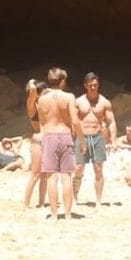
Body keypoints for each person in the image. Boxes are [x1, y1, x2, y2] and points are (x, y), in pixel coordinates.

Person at [36, 67, 85, 220]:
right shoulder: (69, 97)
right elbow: (75, 121)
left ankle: (55, 214)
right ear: (62, 81)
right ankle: (68, 214)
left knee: (51, 177)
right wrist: (82, 140)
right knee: (66, 177)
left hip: (49, 135)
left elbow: (42, 122)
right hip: (65, 135)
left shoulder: (42, 99)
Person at [73, 72, 118, 207]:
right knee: (78, 168)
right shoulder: (79, 101)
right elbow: (73, 122)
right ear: (85, 85)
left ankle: (98, 201)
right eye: (91, 85)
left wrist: (113, 140)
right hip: (82, 137)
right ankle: (75, 197)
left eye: (95, 85)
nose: (93, 87)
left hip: (97, 137)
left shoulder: (104, 102)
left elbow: (112, 122)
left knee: (98, 168)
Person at [23, 80, 48, 208]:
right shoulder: (32, 106)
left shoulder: (47, 106)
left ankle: (42, 203)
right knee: (35, 174)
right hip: (38, 141)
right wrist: (32, 82)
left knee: (45, 175)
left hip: (48, 141)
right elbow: (32, 91)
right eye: (44, 92)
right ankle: (26, 204)